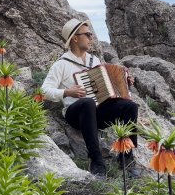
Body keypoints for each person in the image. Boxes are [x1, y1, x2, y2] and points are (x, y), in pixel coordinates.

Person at [42, 18, 138, 178]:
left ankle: (126, 158)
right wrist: (67, 92)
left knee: (130, 107)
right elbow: (45, 90)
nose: (91, 38)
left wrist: (125, 84)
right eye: (87, 34)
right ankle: (97, 162)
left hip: (97, 113)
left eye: (91, 34)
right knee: (87, 103)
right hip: (76, 115)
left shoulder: (95, 61)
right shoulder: (61, 64)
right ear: (75, 38)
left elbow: (108, 89)